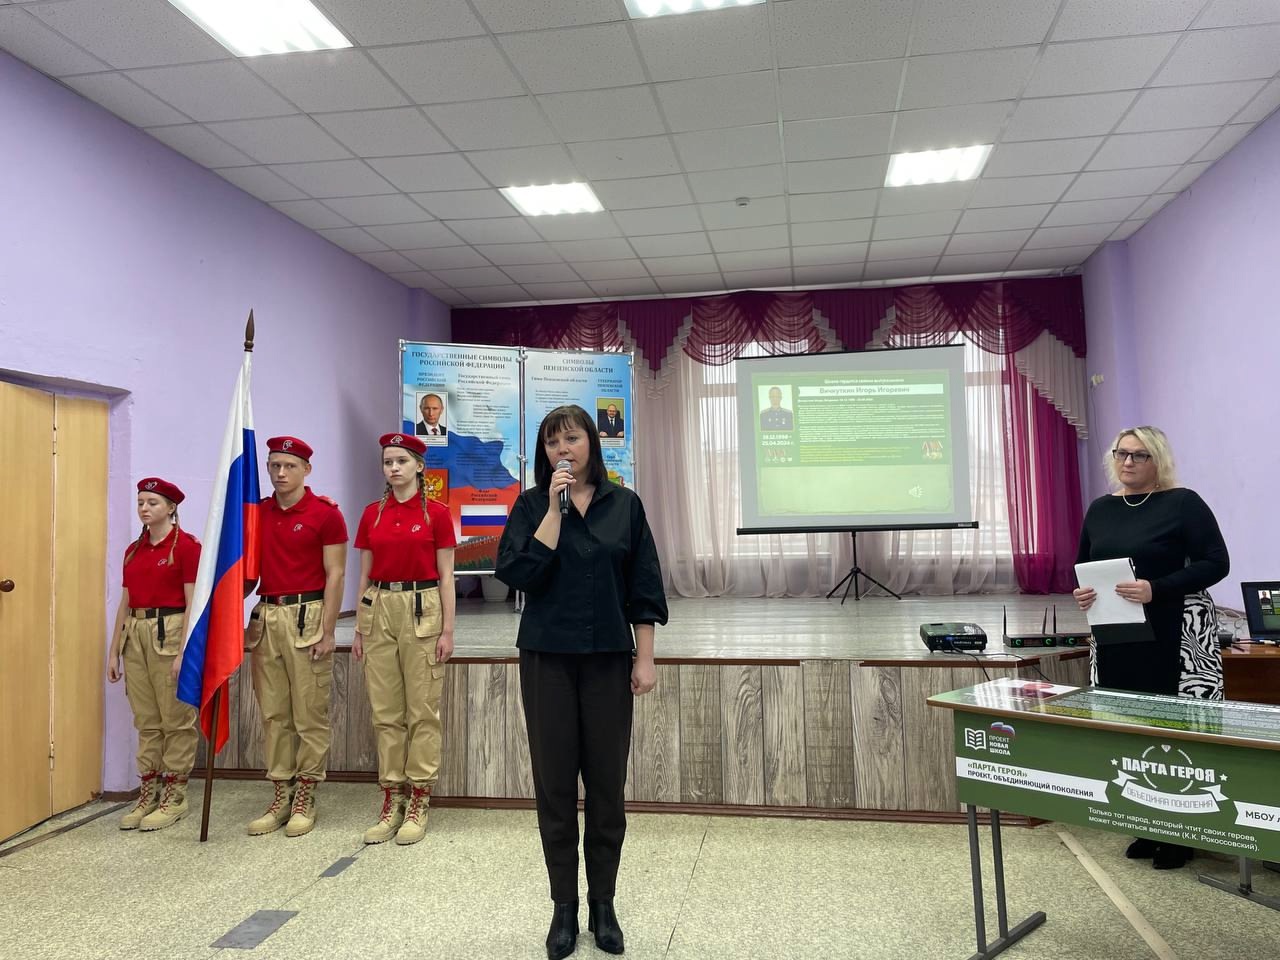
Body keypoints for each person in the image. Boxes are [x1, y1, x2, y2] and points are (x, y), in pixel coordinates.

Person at [496, 404, 668, 960]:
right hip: (546, 660)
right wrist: (554, 510)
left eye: (570, 439)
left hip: (608, 661)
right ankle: (564, 909)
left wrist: (645, 659)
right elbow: (518, 573)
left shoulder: (626, 505)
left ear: (591, 443)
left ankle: (603, 906)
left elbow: (644, 586)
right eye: (552, 444)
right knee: (554, 789)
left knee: (606, 789)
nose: (561, 450)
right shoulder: (531, 505)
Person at [1073, 426, 1228, 870]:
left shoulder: (1183, 503)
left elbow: (1216, 563)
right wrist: (1082, 592)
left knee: (1176, 730)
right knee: (1131, 727)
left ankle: (1182, 833)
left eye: (1139, 455)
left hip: (1177, 633)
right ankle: (1147, 823)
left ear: (1157, 460)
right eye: (1122, 453)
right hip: (1117, 632)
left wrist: (1155, 588)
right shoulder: (1100, 509)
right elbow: (1084, 564)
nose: (1128, 462)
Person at [352, 433, 457, 846]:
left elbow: (446, 576)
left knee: (422, 710)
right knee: (385, 711)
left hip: (421, 607)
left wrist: (448, 630)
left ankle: (419, 798)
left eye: (401, 461)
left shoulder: (437, 514)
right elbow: (364, 574)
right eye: (387, 461)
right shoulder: (372, 514)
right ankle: (392, 796)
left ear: (418, 466)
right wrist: (359, 627)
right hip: (378, 606)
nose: (393, 468)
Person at [246, 436, 348, 837]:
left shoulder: (326, 514)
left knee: (308, 713)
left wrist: (328, 630)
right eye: (274, 465)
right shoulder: (257, 513)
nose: (281, 473)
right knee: (273, 713)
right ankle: (281, 792)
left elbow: (335, 574)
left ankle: (306, 793)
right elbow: (244, 571)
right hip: (267, 615)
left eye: (289, 466)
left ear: (307, 469)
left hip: (308, 616)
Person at [107, 478, 201, 831]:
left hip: (170, 632)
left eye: (153, 503)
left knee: (175, 718)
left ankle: (175, 794)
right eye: (141, 502)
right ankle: (149, 790)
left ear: (171, 508)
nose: (144, 508)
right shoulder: (134, 551)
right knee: (146, 719)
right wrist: (114, 651)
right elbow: (125, 602)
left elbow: (193, 602)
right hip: (136, 635)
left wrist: (184, 652)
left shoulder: (187, 547)